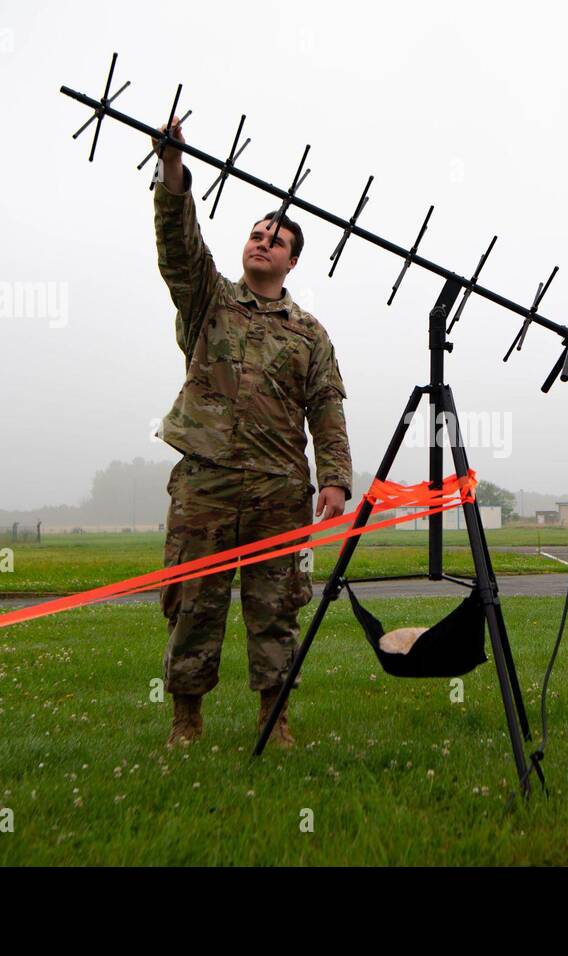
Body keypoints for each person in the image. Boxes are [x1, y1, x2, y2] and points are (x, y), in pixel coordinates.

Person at [151, 118, 352, 748]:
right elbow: (180, 248)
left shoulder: (309, 332)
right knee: (193, 605)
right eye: (256, 233)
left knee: (276, 609)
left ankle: (275, 719)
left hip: (278, 493)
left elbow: (326, 408)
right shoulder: (209, 299)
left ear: (293, 260)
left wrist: (337, 481)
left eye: (277, 239)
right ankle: (186, 723)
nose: (262, 242)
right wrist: (175, 172)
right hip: (206, 483)